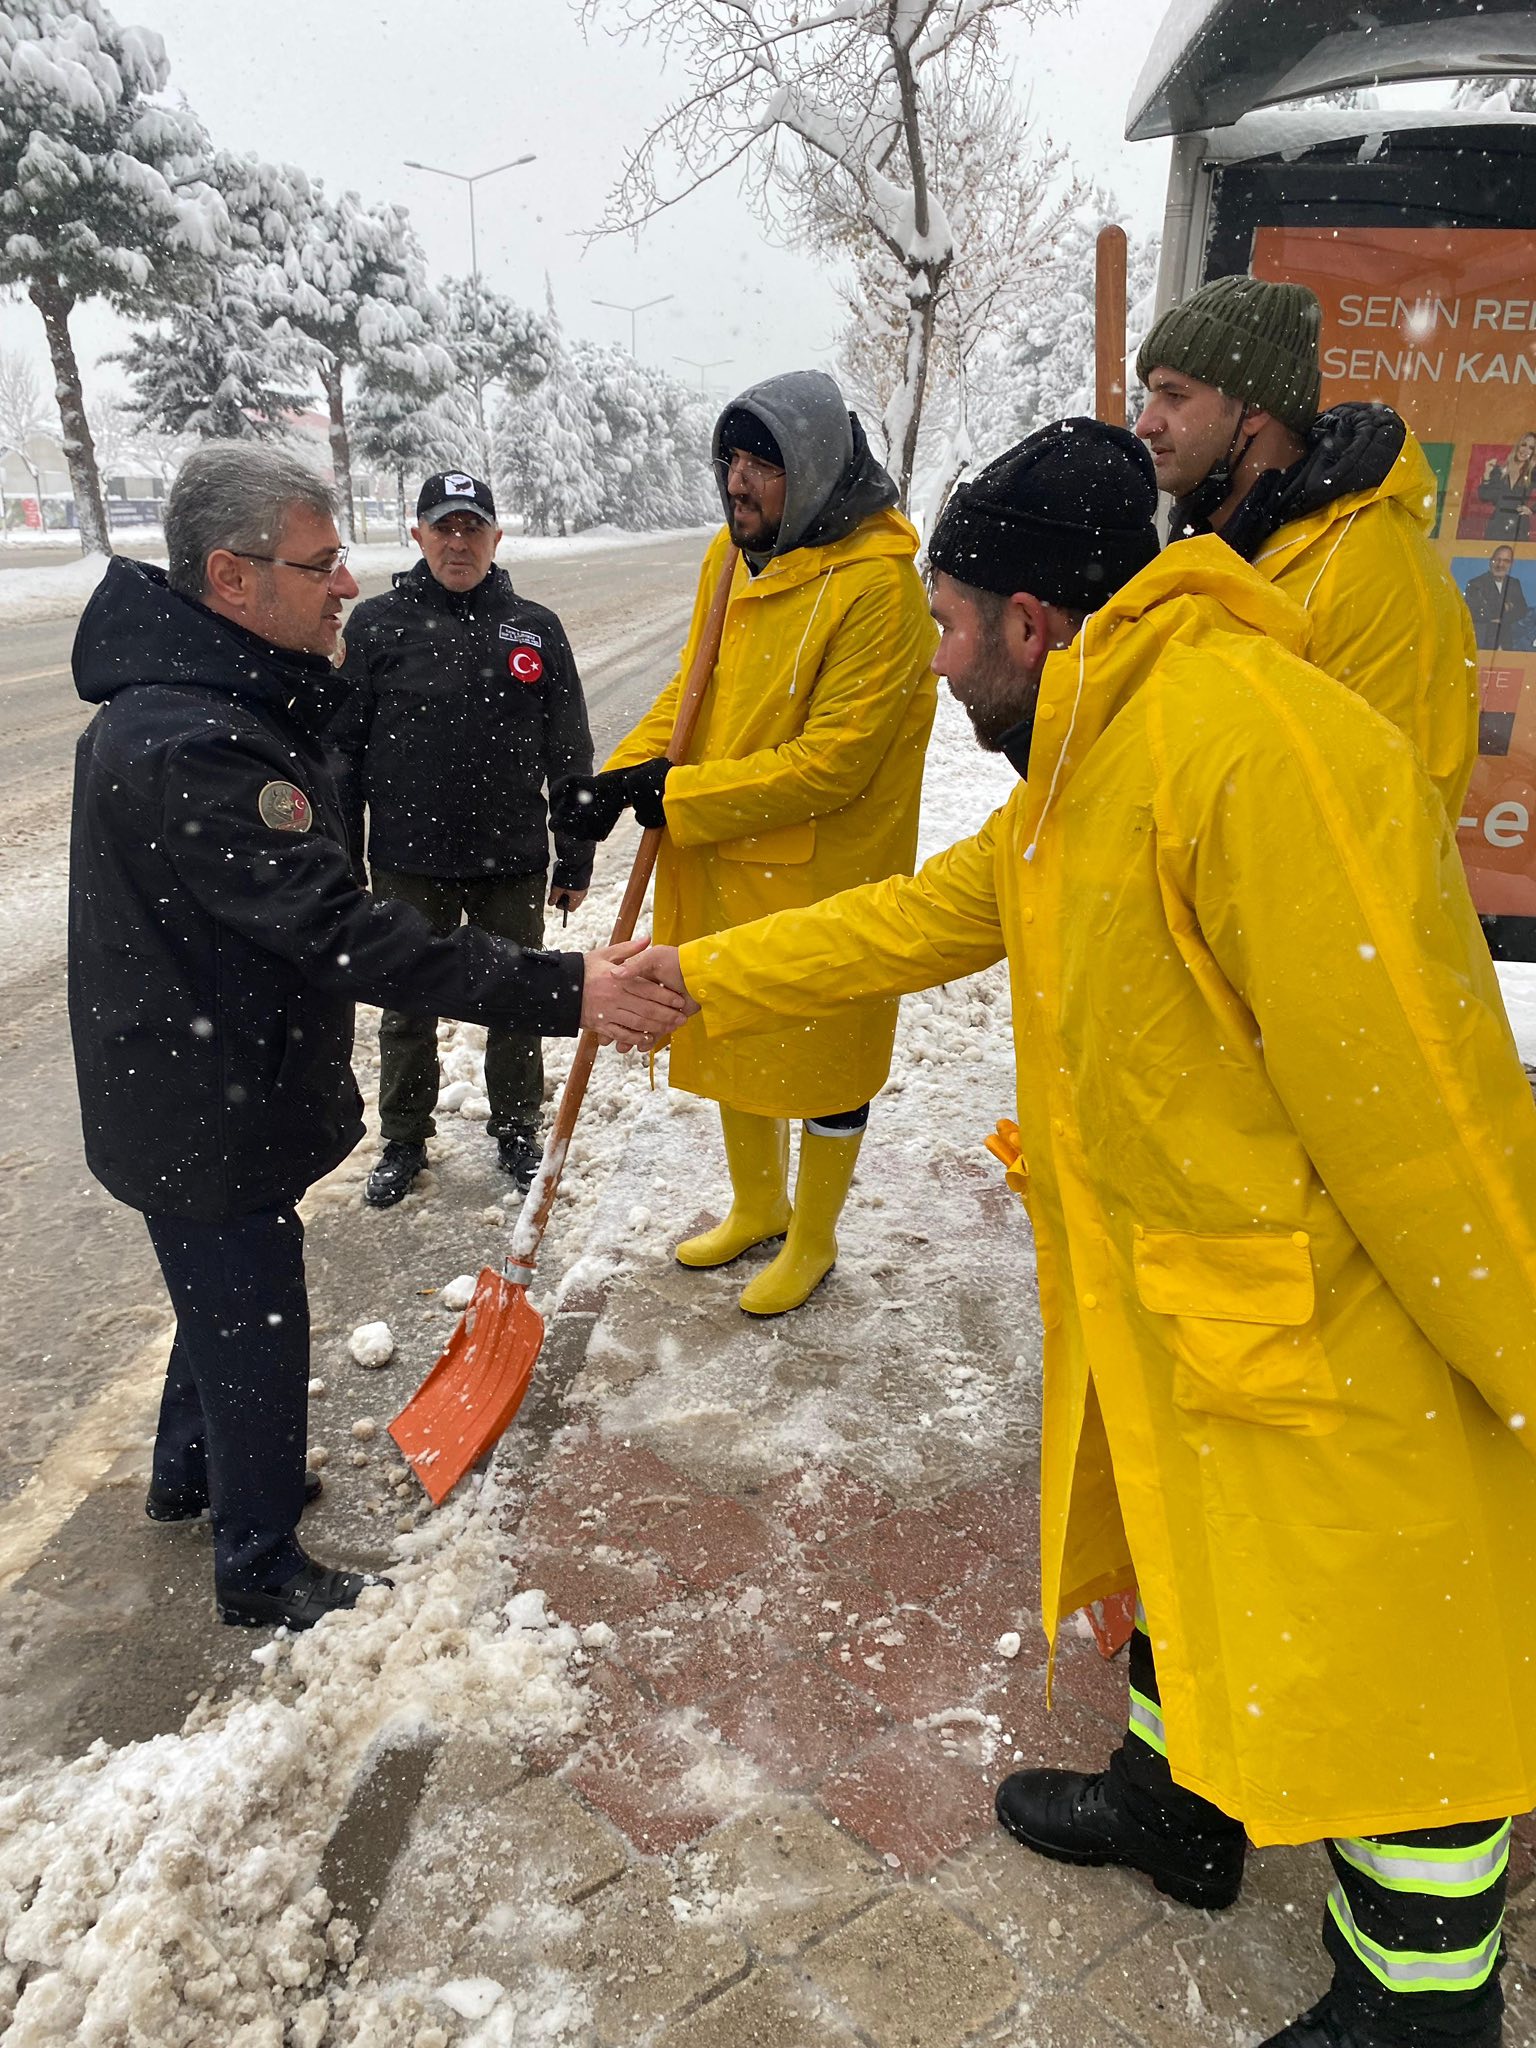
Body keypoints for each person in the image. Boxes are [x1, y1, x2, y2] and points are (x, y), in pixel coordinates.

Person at [622, 421, 1536, 2048]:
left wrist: (1519, 1346)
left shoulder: (1256, 747)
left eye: (949, 626)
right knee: (1186, 1579)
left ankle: (1420, 2005)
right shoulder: (1087, 760)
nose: (935, 660)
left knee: (1398, 1671)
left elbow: (1423, 1101)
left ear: (1035, 619)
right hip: (1176, 1299)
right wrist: (700, 977)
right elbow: (923, 913)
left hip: (1330, 1323)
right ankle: (1180, 1807)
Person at [68, 444, 685, 1632]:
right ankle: (258, 1561)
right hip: (205, 1091)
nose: (345, 581)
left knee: (213, 1291)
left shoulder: (206, 692)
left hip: (188, 1074)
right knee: (250, 1305)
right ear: (230, 577)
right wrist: (569, 988)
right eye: (319, 561)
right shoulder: (195, 739)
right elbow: (346, 932)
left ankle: (190, 1472)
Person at [551, 370, 937, 1316]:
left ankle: (814, 1238)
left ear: (810, 471)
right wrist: (620, 778)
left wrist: (671, 795)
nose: (739, 483)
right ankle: (761, 1202)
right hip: (729, 848)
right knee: (740, 1026)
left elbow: (831, 766)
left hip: (830, 871)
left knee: (827, 1056)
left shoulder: (879, 591)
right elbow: (691, 703)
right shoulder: (729, 561)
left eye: (763, 464)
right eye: (730, 460)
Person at [328, 471, 595, 1207]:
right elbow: (342, 757)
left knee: (519, 999)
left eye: (472, 527)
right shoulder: (376, 627)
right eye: (443, 526)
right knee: (405, 1005)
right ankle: (404, 1137)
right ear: (417, 534)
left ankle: (516, 1127)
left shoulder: (534, 627)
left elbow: (569, 749)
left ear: (496, 537)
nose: (457, 541)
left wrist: (574, 855)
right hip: (409, 864)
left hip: (510, 858)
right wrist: (345, 859)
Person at [1135, 274, 1478, 816]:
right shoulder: (1216, 546)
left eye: (1174, 396)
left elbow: (1391, 823)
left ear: (1252, 410)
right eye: (1148, 394)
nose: (1145, 423)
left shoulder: (1373, 571)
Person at [1464, 544, 1531, 652]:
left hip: (1507, 637)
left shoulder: (1514, 583)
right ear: (1491, 561)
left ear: (1511, 564)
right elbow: (1474, 612)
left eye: (1506, 561)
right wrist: (1507, 606)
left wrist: (1501, 618)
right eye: (1497, 560)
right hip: (1484, 638)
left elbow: (1522, 610)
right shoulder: (1475, 583)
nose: (1500, 564)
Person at [1478, 432, 1536, 542]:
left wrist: (1532, 510)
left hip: (1519, 526)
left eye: (1531, 448)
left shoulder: (1532, 473)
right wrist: (1486, 474)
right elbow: (1484, 496)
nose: (1525, 450)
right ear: (1518, 445)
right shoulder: (1500, 470)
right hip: (1497, 524)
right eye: (1524, 445)